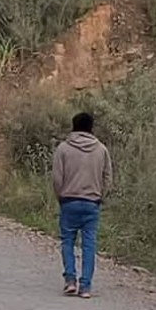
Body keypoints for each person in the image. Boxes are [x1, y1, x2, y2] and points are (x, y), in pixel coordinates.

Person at [52, 111, 114, 299]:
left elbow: (57, 178)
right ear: (91, 127)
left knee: (67, 241)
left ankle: (70, 280)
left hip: (69, 201)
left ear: (74, 126)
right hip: (92, 202)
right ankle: (85, 286)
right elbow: (108, 177)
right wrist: (101, 196)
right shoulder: (101, 149)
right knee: (89, 245)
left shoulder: (63, 149)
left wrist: (60, 196)